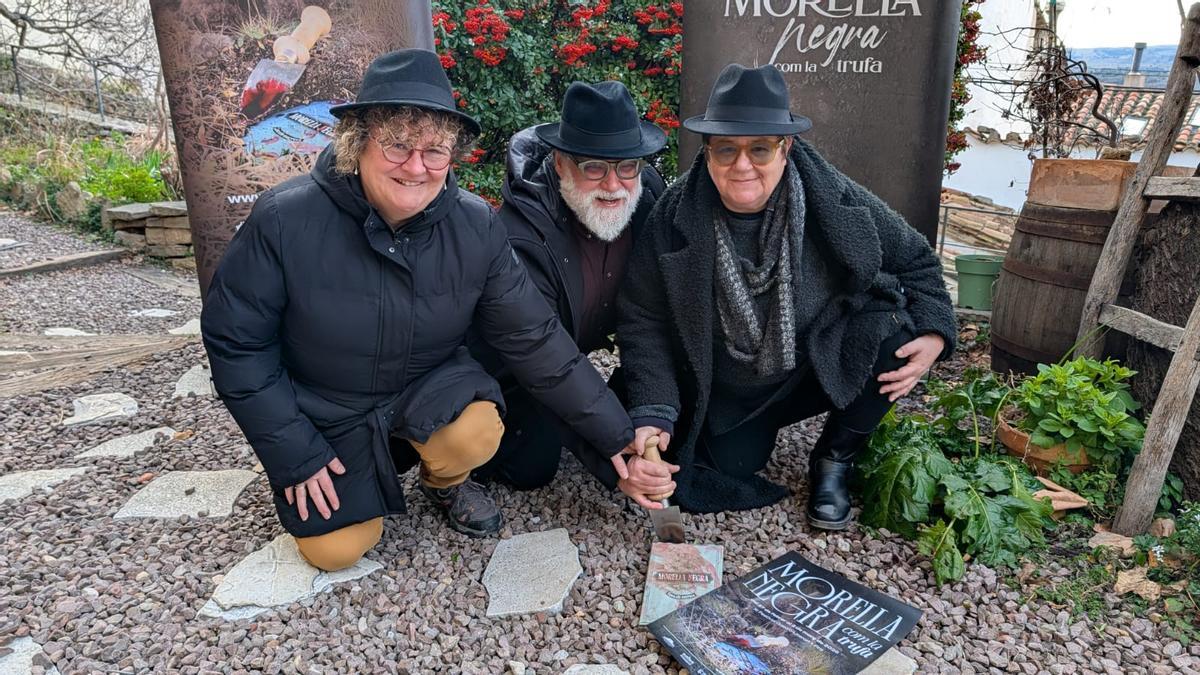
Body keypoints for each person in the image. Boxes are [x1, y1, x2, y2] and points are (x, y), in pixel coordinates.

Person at [201, 49, 635, 571]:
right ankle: (349, 472)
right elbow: (237, 343)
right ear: (356, 143)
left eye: (435, 151)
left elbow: (536, 339)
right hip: (326, 406)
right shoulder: (283, 218)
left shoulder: (476, 225)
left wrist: (619, 438)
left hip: (425, 386)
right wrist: (295, 453)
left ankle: (444, 481)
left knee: (477, 430)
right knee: (335, 551)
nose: (416, 167)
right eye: (397, 145)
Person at [616, 63, 956, 530]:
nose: (742, 165)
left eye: (760, 148)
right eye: (726, 149)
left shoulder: (831, 197)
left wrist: (937, 331)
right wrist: (654, 410)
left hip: (810, 362)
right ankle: (751, 429)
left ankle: (835, 459)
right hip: (726, 385)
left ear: (786, 147)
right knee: (730, 467)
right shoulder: (672, 217)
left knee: (891, 332)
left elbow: (915, 258)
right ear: (708, 150)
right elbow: (642, 317)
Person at [469, 81, 667, 503]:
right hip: (513, 367)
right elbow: (542, 359)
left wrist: (652, 410)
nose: (614, 185)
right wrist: (616, 455)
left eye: (627, 166)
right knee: (531, 467)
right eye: (594, 166)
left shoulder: (647, 199)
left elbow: (652, 315)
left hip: (570, 354)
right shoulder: (520, 235)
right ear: (561, 163)